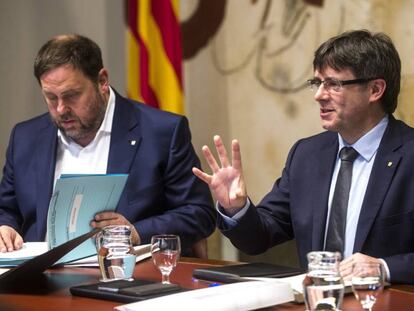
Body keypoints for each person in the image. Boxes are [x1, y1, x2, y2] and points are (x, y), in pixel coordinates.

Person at [193, 29, 414, 284]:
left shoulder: (407, 155)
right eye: (317, 83)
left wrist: (384, 267)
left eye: (333, 84)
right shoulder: (307, 155)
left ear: (375, 90)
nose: (319, 95)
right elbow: (260, 237)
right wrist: (236, 208)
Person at [0, 34, 216, 255]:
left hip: (131, 278)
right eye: (51, 98)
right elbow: (7, 210)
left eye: (72, 95)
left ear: (102, 81)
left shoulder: (162, 132)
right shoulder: (25, 138)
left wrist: (135, 232)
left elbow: (199, 214)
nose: (61, 109)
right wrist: (5, 228)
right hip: (37, 282)